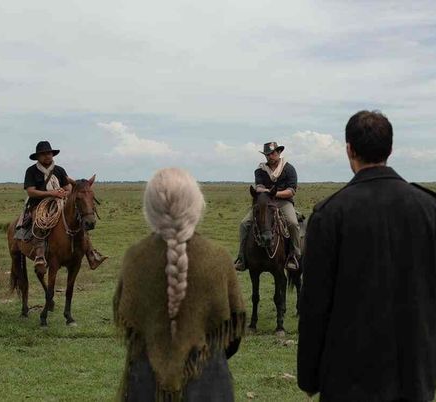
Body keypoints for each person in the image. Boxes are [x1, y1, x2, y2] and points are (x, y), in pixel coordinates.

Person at [297, 111, 436, 402]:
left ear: (349, 149)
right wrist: (434, 363)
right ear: (390, 149)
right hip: (414, 373)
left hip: (347, 376)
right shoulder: (432, 210)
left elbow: (314, 303)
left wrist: (309, 375)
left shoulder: (329, 214)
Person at [113, 168, 247, 402]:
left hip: (145, 385)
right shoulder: (218, 257)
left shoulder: (135, 257)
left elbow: (126, 322)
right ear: (196, 204)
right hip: (209, 384)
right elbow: (233, 332)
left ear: (150, 208)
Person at [15, 140, 107, 271]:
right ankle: (40, 254)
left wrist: (63, 193)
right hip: (39, 204)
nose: (47, 156)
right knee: (39, 220)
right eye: (43, 154)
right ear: (38, 157)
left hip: (59, 201)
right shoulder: (31, 171)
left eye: (49, 153)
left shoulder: (59, 170)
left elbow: (68, 188)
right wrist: (51, 193)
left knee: (77, 219)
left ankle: (91, 253)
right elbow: (31, 191)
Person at [233, 141, 302, 271]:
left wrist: (273, 193)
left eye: (273, 153)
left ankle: (294, 255)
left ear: (279, 152)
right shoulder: (260, 170)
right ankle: (242, 257)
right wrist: (266, 193)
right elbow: (259, 187)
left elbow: (291, 191)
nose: (270, 156)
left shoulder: (289, 169)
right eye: (267, 154)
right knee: (244, 224)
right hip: (265, 202)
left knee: (293, 223)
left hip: (283, 201)